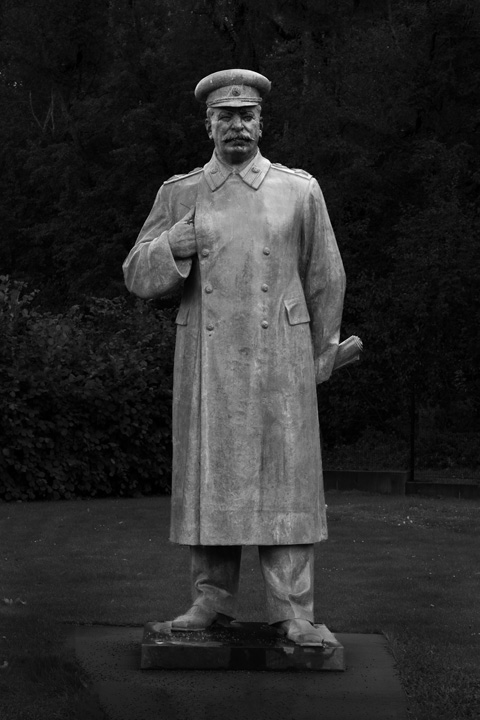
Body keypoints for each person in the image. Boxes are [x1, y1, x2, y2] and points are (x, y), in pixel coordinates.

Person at [122, 69, 346, 646]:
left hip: (281, 359)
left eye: (247, 115)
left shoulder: (298, 190)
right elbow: (136, 275)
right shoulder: (180, 193)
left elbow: (326, 275)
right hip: (209, 361)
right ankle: (210, 602)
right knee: (211, 479)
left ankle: (293, 611)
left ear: (261, 123)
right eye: (225, 116)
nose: (237, 125)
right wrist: (171, 246)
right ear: (209, 125)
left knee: (286, 482)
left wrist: (323, 351)